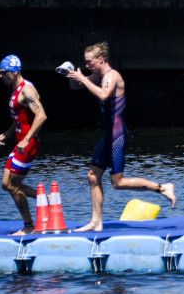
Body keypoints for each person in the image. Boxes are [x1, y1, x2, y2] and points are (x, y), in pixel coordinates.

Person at [65, 42, 176, 232]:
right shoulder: (99, 75)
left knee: (118, 183)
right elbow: (76, 87)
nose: (88, 66)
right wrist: (70, 75)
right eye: (85, 62)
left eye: (89, 62)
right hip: (109, 134)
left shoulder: (112, 76)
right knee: (93, 176)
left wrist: (83, 79)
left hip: (117, 134)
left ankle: (163, 188)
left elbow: (103, 94)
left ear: (101, 59)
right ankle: (96, 221)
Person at [0, 55, 47, 235]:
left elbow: (41, 116)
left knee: (12, 185)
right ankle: (44, 198)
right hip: (20, 143)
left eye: (3, 73)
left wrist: (27, 139)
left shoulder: (27, 90)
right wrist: (8, 133)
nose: (0, 76)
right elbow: (20, 119)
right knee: (6, 184)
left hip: (28, 145)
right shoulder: (15, 89)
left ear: (14, 72)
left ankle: (28, 226)